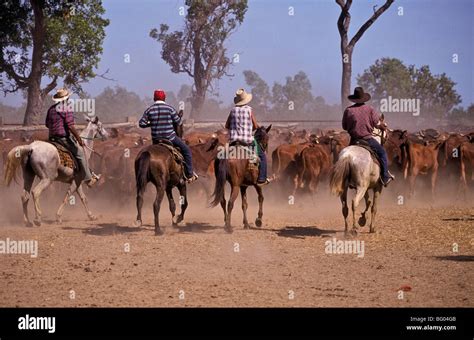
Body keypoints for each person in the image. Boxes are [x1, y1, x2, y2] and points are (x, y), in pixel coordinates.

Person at [139, 89, 198, 183]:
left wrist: (152, 123)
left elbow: (141, 123)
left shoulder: (149, 110)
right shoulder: (170, 109)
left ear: (154, 98)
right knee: (186, 150)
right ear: (164, 98)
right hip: (170, 138)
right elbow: (179, 122)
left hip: (156, 139)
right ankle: (189, 174)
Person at [45, 88, 99, 187]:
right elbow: (70, 126)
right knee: (80, 154)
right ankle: (88, 179)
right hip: (62, 139)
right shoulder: (67, 108)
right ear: (66, 98)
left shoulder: (51, 109)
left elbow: (47, 124)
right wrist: (79, 139)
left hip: (52, 138)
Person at [342, 87, 395, 186]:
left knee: (344, 156)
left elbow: (344, 127)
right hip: (367, 139)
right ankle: (384, 177)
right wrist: (381, 127)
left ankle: (345, 179)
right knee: (382, 153)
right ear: (364, 98)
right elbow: (376, 124)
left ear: (354, 98)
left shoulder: (348, 110)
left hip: (354, 140)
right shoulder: (370, 109)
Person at [225, 88, 270, 185]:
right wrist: (250, 129)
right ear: (246, 100)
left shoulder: (232, 110)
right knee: (262, 156)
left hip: (233, 142)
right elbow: (255, 126)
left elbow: (226, 125)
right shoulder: (249, 110)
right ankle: (262, 178)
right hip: (247, 141)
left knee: (222, 154)